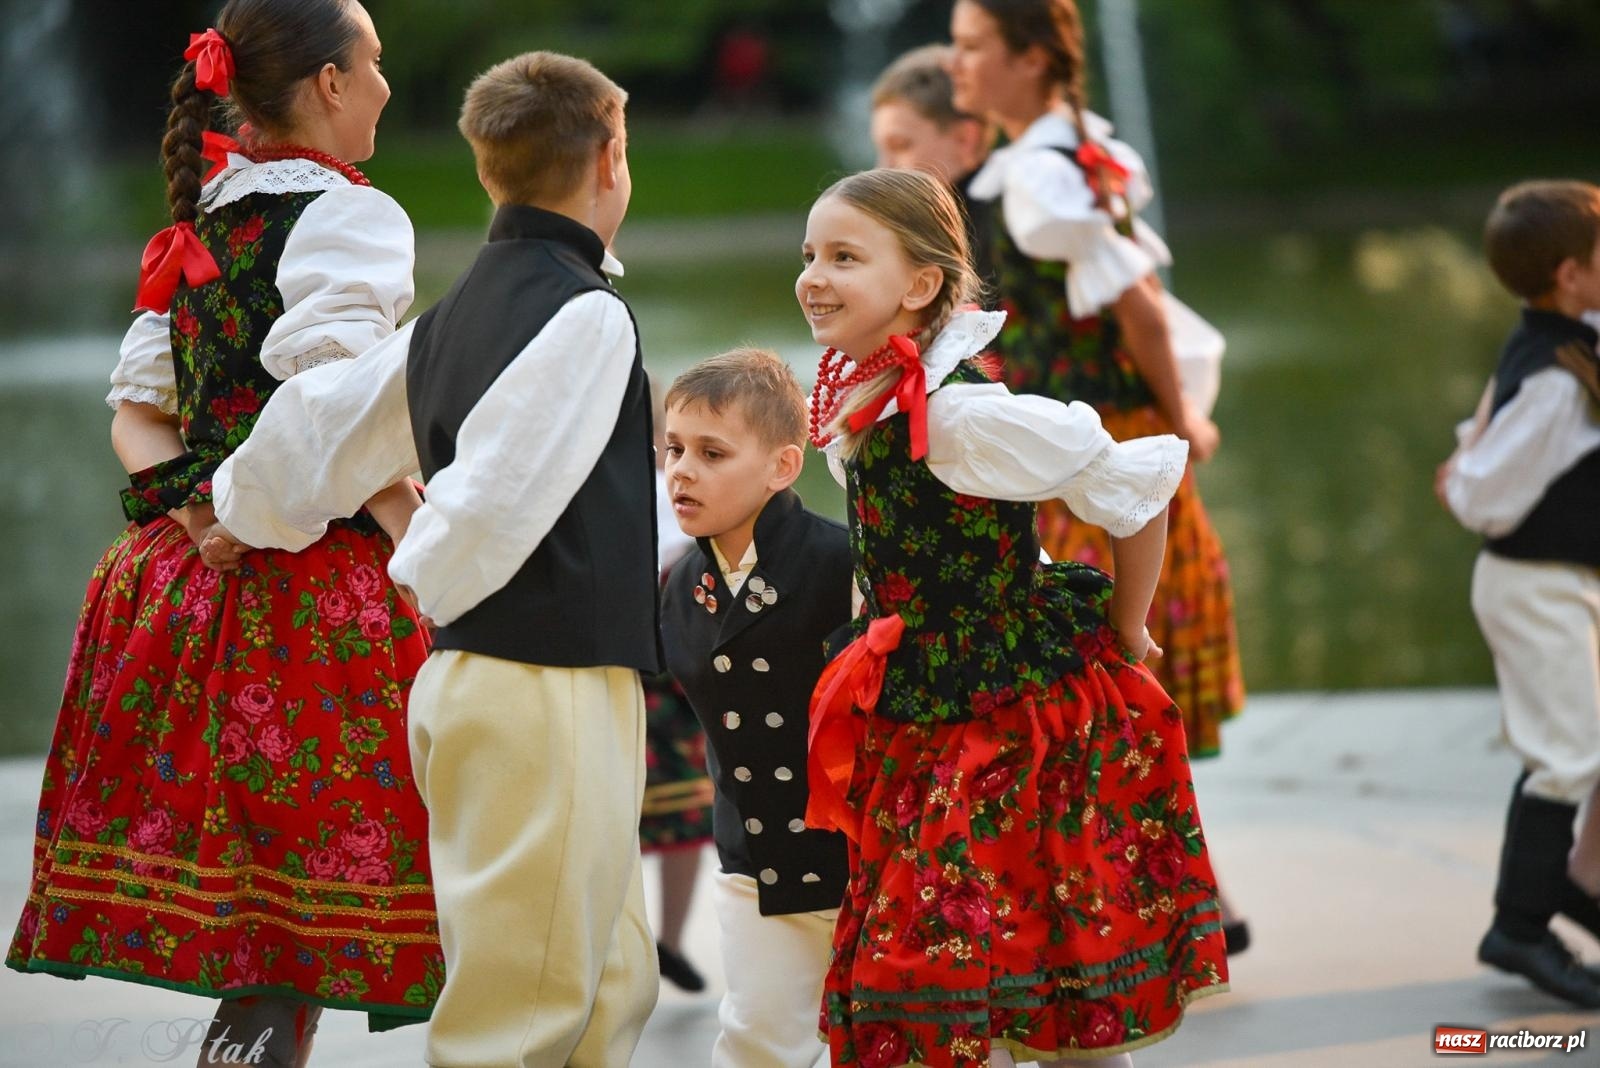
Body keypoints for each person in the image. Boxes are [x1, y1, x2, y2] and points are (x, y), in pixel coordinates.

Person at [201, 51, 659, 1067]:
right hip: (536, 683)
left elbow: (317, 429)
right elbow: (495, 506)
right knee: (521, 1013)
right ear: (611, 156)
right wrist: (423, 571)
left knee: (607, 980)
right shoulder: (584, 314)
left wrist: (241, 504)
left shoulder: (449, 319)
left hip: (511, 679)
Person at [6, 2, 442, 1063]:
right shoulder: (350, 216)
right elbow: (337, 401)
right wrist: (426, 546)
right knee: (303, 924)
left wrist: (199, 516)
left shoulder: (202, 221)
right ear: (330, 85)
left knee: (256, 928)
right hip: (315, 593)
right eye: (373, 63)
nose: (385, 85)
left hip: (183, 589)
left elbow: (137, 414)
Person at [797, 167, 1226, 1068]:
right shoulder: (868, 405)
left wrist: (1129, 627)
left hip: (1017, 712)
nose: (814, 276)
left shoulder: (960, 414)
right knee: (944, 948)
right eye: (810, 255)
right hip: (923, 704)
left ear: (919, 286)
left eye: (844, 256)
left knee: (1047, 934)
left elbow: (1136, 490)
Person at [948, 0, 1249, 952]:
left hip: (1098, 449)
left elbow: (1138, 306)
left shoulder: (1040, 179)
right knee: (1093, 675)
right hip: (1085, 442)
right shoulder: (1048, 162)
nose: (959, 66)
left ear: (1033, 60)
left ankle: (1147, 903)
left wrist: (1184, 416)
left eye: (973, 48)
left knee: (1094, 665)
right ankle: (1166, 899)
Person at [657, 348, 853, 1067]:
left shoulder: (844, 564)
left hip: (866, 854)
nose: (681, 469)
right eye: (673, 448)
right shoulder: (679, 587)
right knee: (754, 1047)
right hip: (756, 864)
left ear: (783, 466)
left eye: (712, 452)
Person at [1439, 179, 1600, 1008]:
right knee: (1565, 753)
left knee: (1580, 743)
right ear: (1571, 275)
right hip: (1534, 584)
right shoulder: (1558, 379)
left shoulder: (1566, 340)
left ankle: (1574, 887)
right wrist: (1465, 477)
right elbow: (1482, 496)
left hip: (1566, 581)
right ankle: (1521, 927)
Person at [642, 376, 715, 994]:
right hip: (657, 662)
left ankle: (658, 938)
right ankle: (657, 937)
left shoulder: (677, 484)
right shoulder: (677, 483)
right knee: (682, 810)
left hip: (660, 662)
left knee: (680, 807)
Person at [870, 44, 996, 290]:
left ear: (965, 140)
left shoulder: (1005, 234)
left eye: (900, 145)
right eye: (881, 150)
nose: (882, 168)